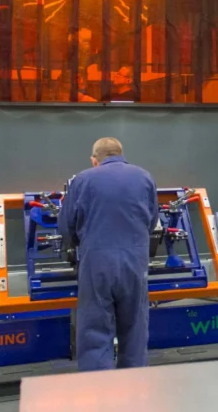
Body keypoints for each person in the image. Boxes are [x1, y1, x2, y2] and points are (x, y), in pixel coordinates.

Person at [59, 137, 158, 371]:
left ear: (95, 160)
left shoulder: (82, 180)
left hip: (97, 263)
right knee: (134, 328)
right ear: (120, 153)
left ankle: (101, 394)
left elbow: (66, 226)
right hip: (135, 262)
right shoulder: (144, 177)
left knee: (95, 330)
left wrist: (77, 245)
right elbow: (152, 221)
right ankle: (134, 388)